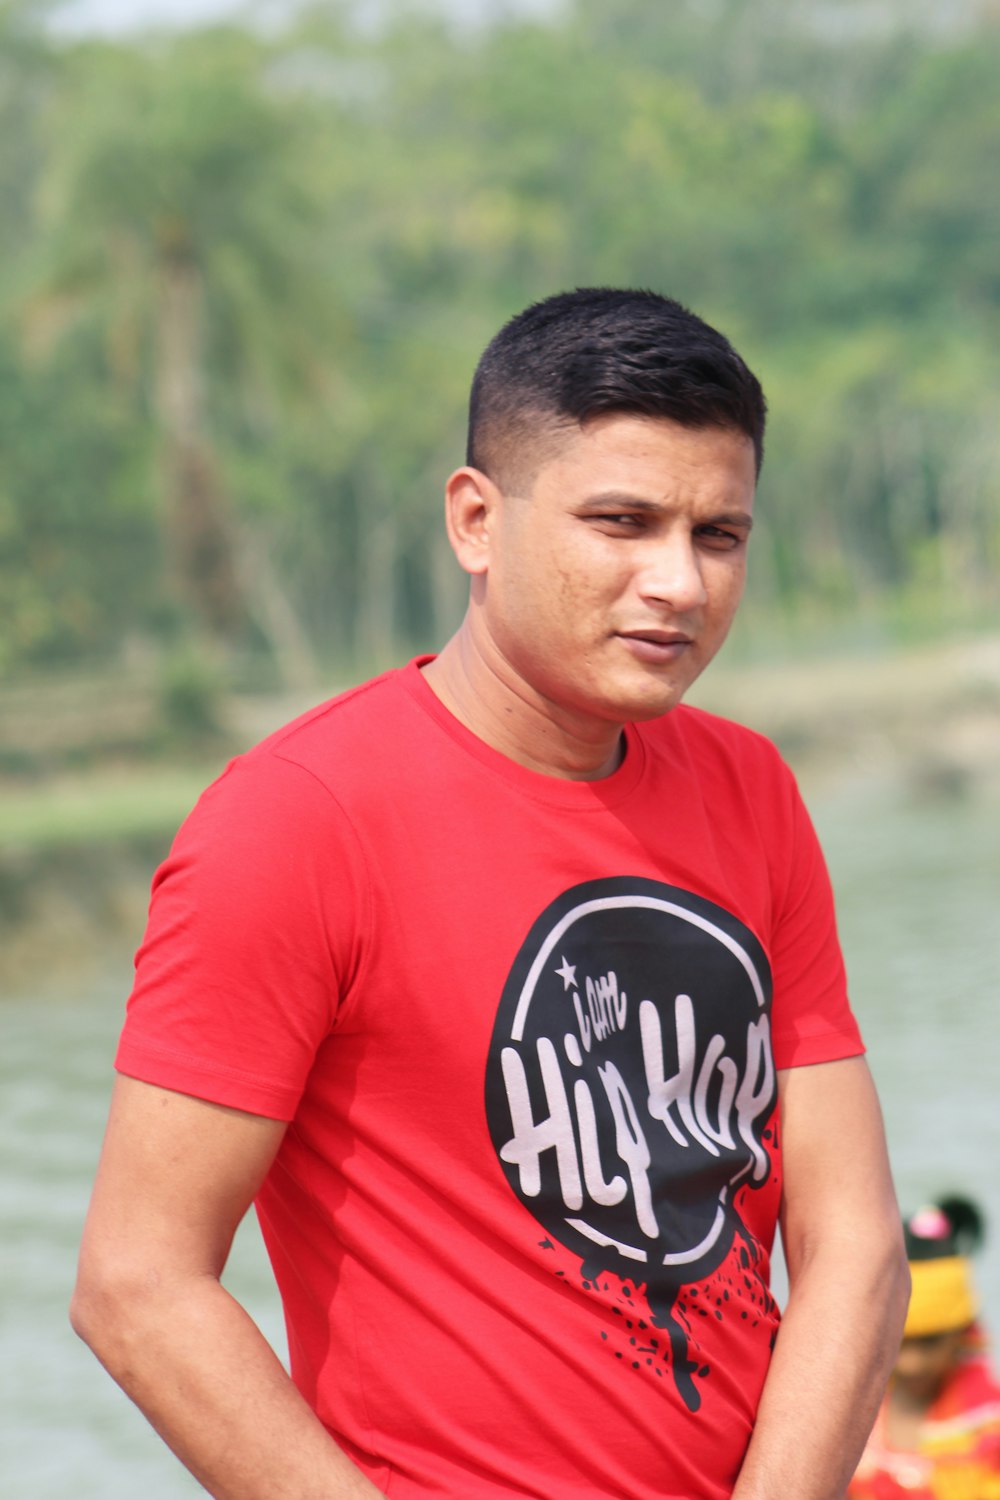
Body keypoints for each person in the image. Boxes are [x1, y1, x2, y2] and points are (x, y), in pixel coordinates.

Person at [72, 287, 910, 1500]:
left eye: (717, 534)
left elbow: (852, 1243)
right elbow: (138, 1283)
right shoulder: (298, 823)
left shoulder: (751, 790)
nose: (676, 580)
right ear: (476, 519)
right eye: (621, 522)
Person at [850, 1196, 1000, 1500]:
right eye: (898, 1341)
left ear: (962, 1333)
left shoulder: (991, 1431)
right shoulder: (848, 1416)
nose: (911, 1362)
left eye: (931, 1341)